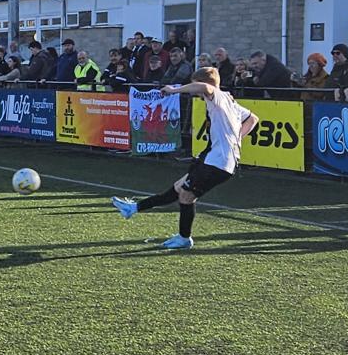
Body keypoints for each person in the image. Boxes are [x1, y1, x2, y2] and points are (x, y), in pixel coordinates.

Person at [111, 67, 259, 249]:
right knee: (179, 187)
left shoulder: (217, 96)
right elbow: (253, 119)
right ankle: (133, 208)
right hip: (213, 158)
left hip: (219, 162)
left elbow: (205, 87)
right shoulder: (230, 101)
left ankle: (184, 238)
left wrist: (174, 90)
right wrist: (236, 139)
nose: (195, 92)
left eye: (194, 85)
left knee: (187, 195)